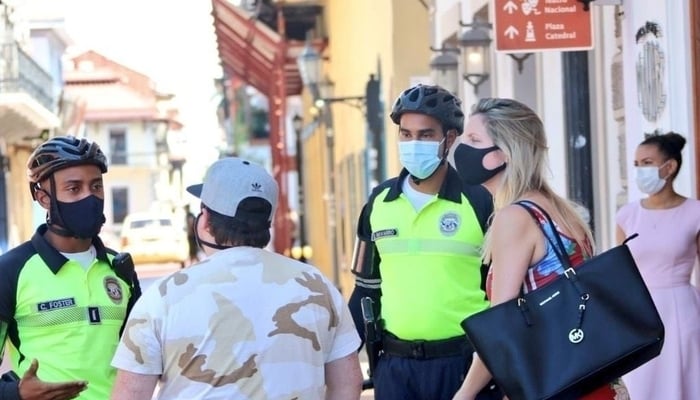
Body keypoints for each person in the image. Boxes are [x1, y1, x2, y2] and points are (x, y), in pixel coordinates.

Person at [110, 157, 363, 399]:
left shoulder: (164, 297)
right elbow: (348, 384)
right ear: (267, 224)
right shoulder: (318, 286)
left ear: (205, 220)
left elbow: (130, 394)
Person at [452, 98, 629, 400]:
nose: (461, 148)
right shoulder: (558, 210)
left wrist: (464, 394)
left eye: (473, 139)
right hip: (591, 377)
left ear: (503, 154)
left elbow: (501, 326)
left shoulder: (515, 218)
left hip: (554, 382)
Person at [348, 84, 496, 400]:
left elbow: (502, 292)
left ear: (450, 139)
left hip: (465, 367)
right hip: (395, 369)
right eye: (406, 134)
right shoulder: (379, 202)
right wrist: (341, 361)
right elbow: (365, 291)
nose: (414, 143)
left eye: (426, 135)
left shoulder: (481, 201)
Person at [0, 135, 142, 400]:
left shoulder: (120, 269)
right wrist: (16, 393)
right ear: (43, 197)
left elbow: (142, 362)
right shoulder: (10, 271)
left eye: (96, 186)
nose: (89, 197)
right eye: (74, 188)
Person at [616, 132, 700, 400]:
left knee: (684, 381)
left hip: (682, 310)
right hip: (639, 313)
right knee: (641, 386)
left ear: (670, 167)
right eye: (637, 164)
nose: (640, 170)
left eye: (647, 162)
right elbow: (620, 271)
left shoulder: (695, 213)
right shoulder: (627, 215)